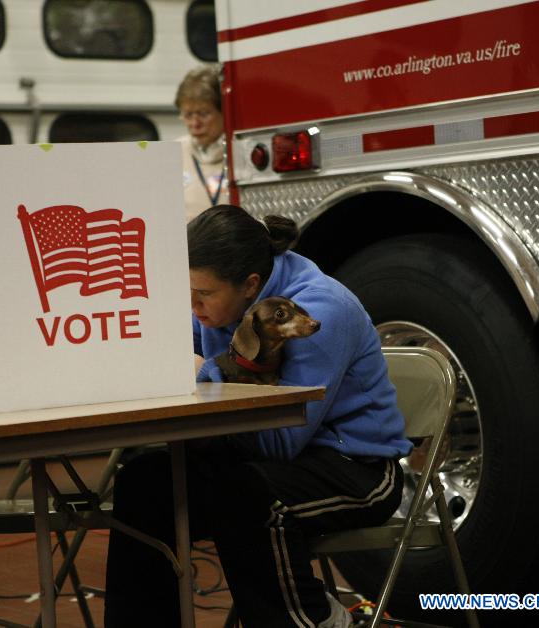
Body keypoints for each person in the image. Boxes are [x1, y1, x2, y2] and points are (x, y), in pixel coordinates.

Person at [104, 205, 412, 628]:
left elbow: (280, 442)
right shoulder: (216, 303)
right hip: (259, 460)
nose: (192, 305)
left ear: (250, 286)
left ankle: (318, 618)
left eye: (203, 295)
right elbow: (164, 346)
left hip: (355, 468)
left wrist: (204, 373)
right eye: (186, 291)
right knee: (145, 483)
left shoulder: (314, 313)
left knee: (247, 495)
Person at [175, 65, 226, 222]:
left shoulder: (239, 152)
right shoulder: (174, 152)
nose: (195, 123)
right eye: (188, 114)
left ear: (224, 111)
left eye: (204, 114)